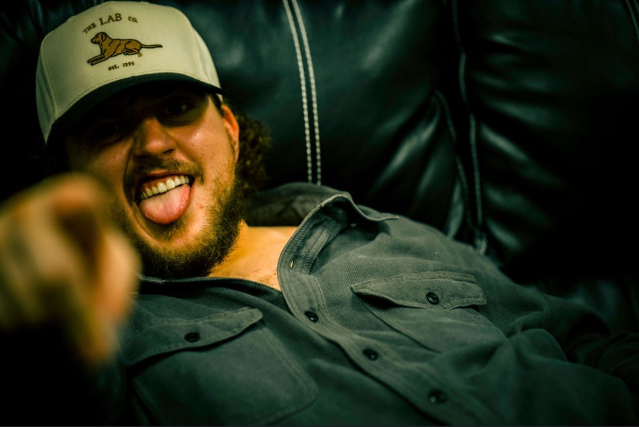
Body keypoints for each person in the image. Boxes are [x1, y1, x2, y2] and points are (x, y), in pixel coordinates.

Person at [1, 1, 638, 425]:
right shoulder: (91, 344)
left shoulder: (381, 231)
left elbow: (587, 344)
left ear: (230, 129)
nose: (153, 144)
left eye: (176, 108)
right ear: (64, 181)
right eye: (109, 130)